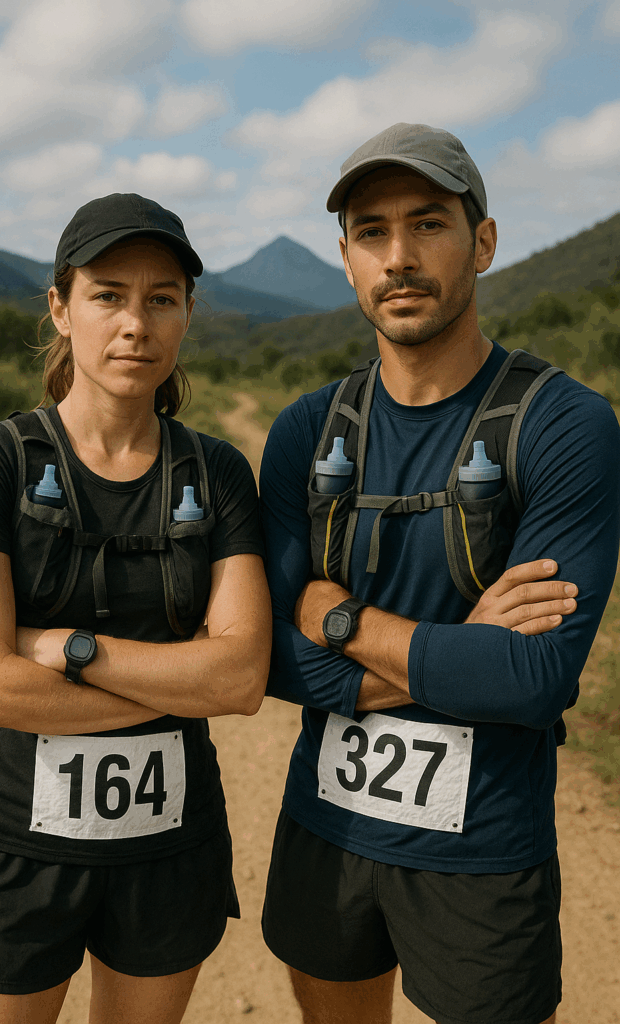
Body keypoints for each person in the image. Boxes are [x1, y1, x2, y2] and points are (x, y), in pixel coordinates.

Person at [259, 123, 620, 1024]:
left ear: (483, 242)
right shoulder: (308, 432)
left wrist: (338, 620)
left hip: (484, 854)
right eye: (371, 232)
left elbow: (533, 679)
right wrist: (462, 656)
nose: (399, 257)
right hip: (325, 830)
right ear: (345, 258)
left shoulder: (563, 424)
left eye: (427, 224)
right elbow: (255, 662)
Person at [0, 193, 271, 1024]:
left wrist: (67, 648)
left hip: (171, 848)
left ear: (188, 313)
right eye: (108, 294)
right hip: (15, 847)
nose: (136, 323)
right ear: (59, 306)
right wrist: (183, 675)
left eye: (162, 298)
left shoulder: (217, 474)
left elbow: (240, 677)